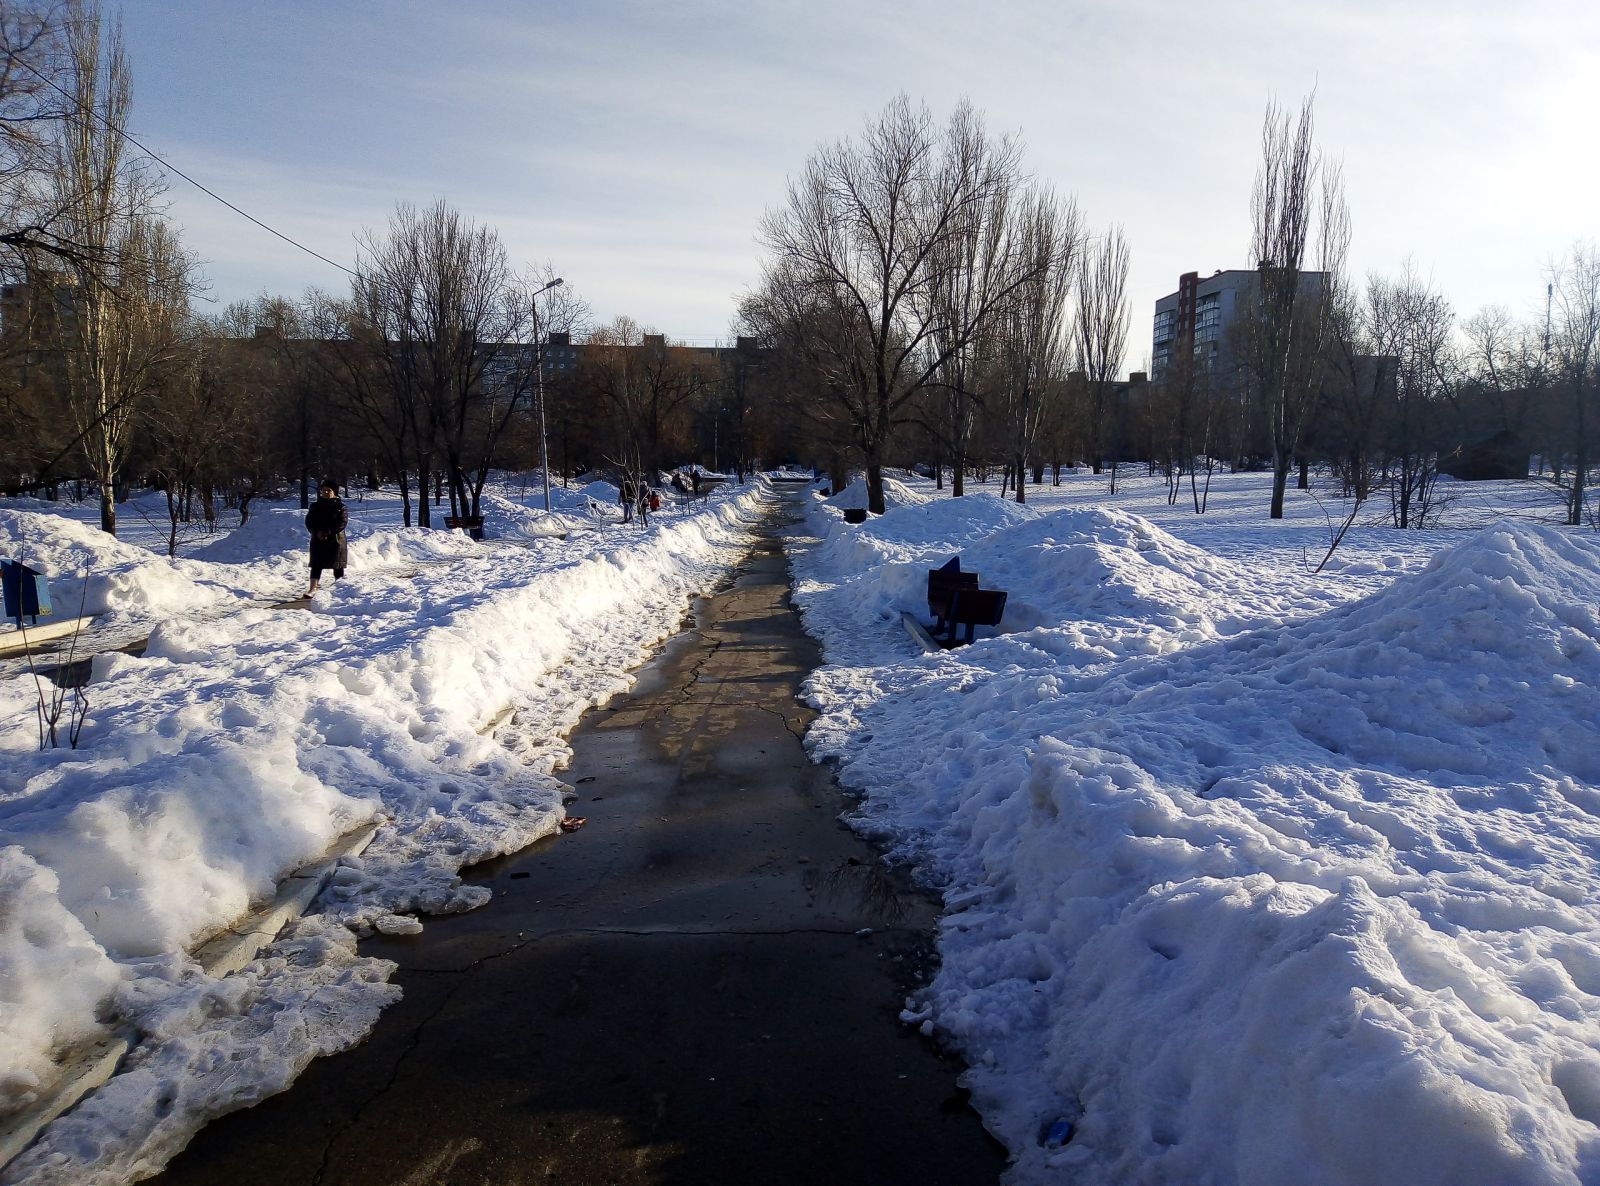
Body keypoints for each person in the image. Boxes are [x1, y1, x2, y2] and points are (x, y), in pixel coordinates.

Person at [304, 480, 348, 597]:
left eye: (329, 490)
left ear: (334, 492)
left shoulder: (340, 507)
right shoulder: (315, 506)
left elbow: (342, 523)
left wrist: (329, 531)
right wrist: (316, 532)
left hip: (336, 540)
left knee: (337, 565)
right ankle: (313, 588)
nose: (326, 492)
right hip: (318, 540)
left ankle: (340, 588)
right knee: (316, 564)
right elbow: (309, 521)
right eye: (323, 490)